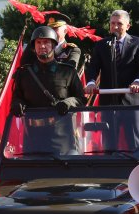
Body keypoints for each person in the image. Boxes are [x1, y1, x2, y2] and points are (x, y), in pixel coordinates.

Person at [11, 25, 85, 155]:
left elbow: (81, 98)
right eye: (38, 43)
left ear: (54, 45)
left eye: (46, 42)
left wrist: (68, 103)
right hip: (33, 137)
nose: (42, 46)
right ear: (34, 48)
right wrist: (18, 103)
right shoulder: (24, 73)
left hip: (61, 136)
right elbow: (17, 96)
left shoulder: (67, 72)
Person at [84, 9, 139, 150]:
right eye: (112, 23)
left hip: (132, 101)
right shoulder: (102, 45)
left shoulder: (138, 42)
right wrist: (90, 82)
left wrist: (138, 81)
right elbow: (93, 66)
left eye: (119, 23)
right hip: (109, 102)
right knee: (109, 144)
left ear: (128, 26)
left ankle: (136, 170)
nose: (115, 27)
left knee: (135, 143)